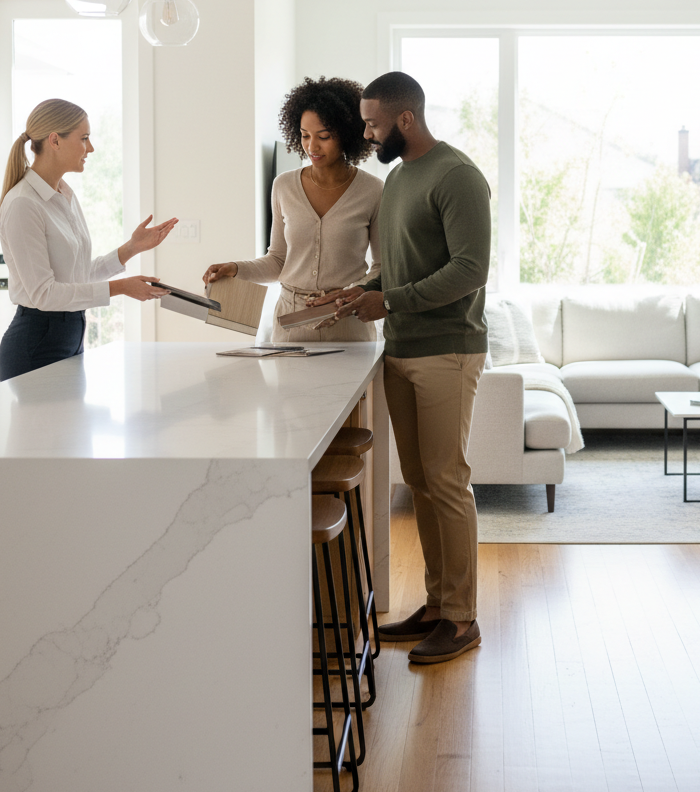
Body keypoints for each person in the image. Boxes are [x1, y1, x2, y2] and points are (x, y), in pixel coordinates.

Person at [315, 71, 492, 665]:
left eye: (372, 123)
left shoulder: (457, 176)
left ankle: (462, 618)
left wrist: (387, 300)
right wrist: (357, 290)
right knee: (420, 483)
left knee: (446, 482)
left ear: (406, 120)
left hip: (448, 348)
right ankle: (439, 606)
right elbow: (396, 265)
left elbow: (470, 270)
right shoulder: (398, 179)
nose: (366, 133)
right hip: (402, 347)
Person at [0, 98, 176, 382]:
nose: (90, 148)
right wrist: (120, 288)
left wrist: (132, 248)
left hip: (71, 338)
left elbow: (76, 275)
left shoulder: (64, 195)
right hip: (36, 346)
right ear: (55, 141)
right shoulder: (22, 204)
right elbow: (44, 294)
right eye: (84, 138)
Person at [202, 76, 383, 343]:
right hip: (290, 322)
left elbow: (381, 267)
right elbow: (277, 261)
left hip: (348, 321)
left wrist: (353, 293)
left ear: (346, 135)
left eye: (323, 137)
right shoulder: (284, 186)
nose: (312, 146)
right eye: (304, 135)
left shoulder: (373, 190)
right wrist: (235, 268)